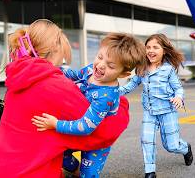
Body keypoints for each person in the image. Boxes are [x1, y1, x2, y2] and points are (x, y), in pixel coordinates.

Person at [0, 19, 132, 178]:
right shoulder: (56, 87)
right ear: (56, 47)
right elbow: (102, 132)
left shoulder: (21, 77)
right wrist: (120, 102)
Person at [31, 33, 146, 177]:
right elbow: (73, 74)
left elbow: (85, 127)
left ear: (123, 74)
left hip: (97, 137)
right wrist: (49, 69)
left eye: (110, 65)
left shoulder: (106, 97)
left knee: (89, 174)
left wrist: (55, 124)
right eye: (100, 57)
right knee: (59, 155)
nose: (101, 65)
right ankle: (75, 170)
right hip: (80, 122)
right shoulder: (93, 69)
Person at [119, 33, 193, 178]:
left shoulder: (168, 69)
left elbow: (178, 88)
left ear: (164, 50)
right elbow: (130, 85)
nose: (150, 51)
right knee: (146, 140)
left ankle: (185, 148)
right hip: (150, 112)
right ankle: (150, 171)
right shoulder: (142, 68)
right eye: (148, 47)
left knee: (171, 146)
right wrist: (114, 92)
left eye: (155, 47)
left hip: (168, 111)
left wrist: (178, 97)